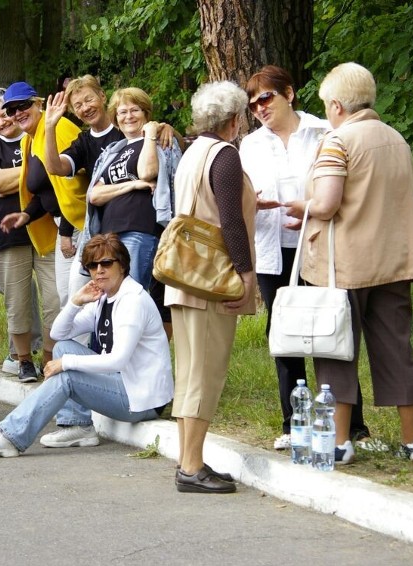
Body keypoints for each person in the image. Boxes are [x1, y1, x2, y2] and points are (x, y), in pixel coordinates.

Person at [285, 62, 413, 462]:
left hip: (343, 265)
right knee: (397, 348)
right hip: (394, 261)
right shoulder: (396, 139)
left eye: (327, 103)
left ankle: (339, 442)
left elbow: (326, 205)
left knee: (335, 351)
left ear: (338, 105)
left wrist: (300, 206)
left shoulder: (337, 142)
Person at [239, 65, 372, 452]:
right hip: (271, 248)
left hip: (318, 244)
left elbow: (340, 187)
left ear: (289, 94)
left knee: (331, 327)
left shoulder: (323, 131)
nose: (260, 108)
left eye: (266, 97)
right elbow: (243, 195)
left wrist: (312, 209)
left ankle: (352, 425)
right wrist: (256, 203)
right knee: (283, 334)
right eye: (253, 104)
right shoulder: (250, 145)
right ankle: (292, 422)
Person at [0, 233, 173, 457]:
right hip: (124, 384)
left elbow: (118, 359)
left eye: (106, 263)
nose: (99, 270)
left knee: (67, 373)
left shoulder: (132, 300)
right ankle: (77, 426)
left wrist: (66, 364)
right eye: (92, 265)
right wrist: (75, 302)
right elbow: (58, 333)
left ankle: (9, 436)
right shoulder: (106, 297)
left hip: (142, 399)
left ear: (122, 266)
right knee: (62, 346)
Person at [166, 81, 256, 494]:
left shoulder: (191, 152)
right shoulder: (225, 155)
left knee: (189, 373)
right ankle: (190, 467)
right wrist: (246, 272)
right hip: (211, 278)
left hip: (184, 276)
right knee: (205, 373)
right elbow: (230, 221)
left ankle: (190, 459)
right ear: (234, 120)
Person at [83, 88, 180, 328]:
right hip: (108, 235)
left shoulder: (159, 142)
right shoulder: (113, 152)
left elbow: (149, 172)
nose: (128, 116)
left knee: (131, 295)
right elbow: (94, 195)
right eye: (122, 111)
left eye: (135, 110)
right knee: (108, 296)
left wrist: (150, 134)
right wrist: (132, 184)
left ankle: (127, 358)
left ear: (146, 114)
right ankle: (109, 356)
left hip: (140, 229)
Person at [0, 88, 57, 382]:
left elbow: (55, 170)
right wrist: (37, 171)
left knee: (55, 299)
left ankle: (49, 357)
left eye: (7, 113)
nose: (3, 121)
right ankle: (23, 359)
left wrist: (24, 176)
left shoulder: (37, 136)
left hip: (46, 227)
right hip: (8, 232)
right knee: (18, 302)